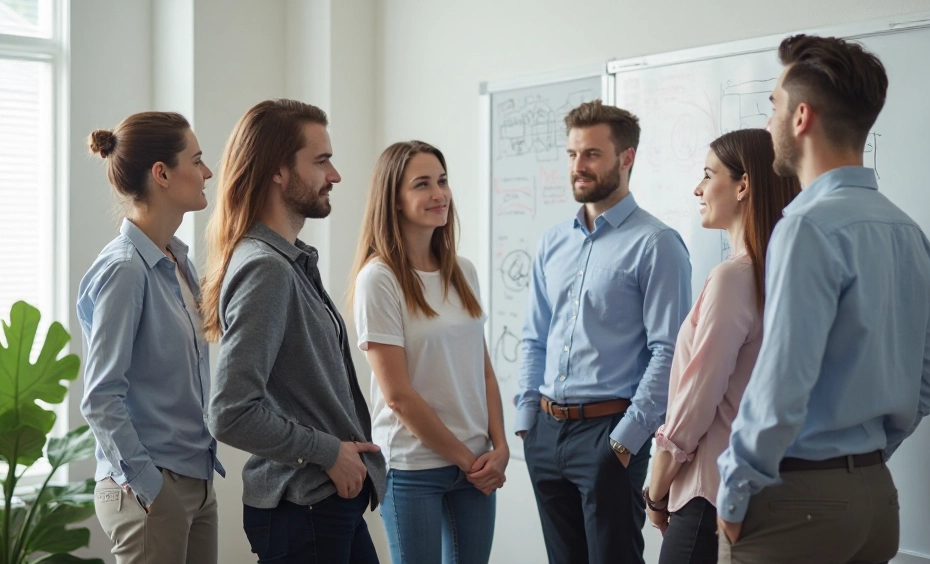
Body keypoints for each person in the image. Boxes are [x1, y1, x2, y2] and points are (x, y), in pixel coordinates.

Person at [716, 35, 930, 564]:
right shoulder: (907, 230)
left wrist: (733, 492)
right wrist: (860, 462)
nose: (767, 122)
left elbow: (780, 387)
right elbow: (924, 387)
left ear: (800, 118)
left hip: (796, 506)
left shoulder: (805, 227)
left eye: (772, 106)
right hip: (876, 499)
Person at [204, 99, 386, 563]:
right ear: (278, 172)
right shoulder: (266, 269)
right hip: (303, 504)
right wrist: (329, 452)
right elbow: (230, 412)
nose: (336, 175)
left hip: (321, 501)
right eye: (321, 161)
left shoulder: (288, 261)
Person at [515, 100, 692, 564]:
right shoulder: (553, 242)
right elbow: (534, 337)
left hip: (609, 436)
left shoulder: (657, 244)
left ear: (626, 158)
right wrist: (527, 421)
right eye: (573, 154)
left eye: (592, 154)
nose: (578, 166)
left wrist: (625, 439)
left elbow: (669, 351)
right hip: (546, 435)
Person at [643, 129, 800, 564]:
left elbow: (698, 399)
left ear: (743, 185)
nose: (698, 188)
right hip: (765, 494)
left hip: (708, 497)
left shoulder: (733, 278)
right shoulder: (789, 277)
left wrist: (656, 490)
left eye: (709, 174)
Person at [350, 140, 508, 564]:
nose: (438, 194)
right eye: (422, 184)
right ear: (395, 201)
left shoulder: (464, 271)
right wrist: (467, 459)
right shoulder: (379, 279)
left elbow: (484, 371)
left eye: (442, 181)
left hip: (475, 464)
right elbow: (398, 396)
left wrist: (501, 446)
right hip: (412, 466)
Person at [79, 112, 223, 564]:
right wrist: (148, 485)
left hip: (194, 481)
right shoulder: (124, 269)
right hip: (151, 487)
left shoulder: (178, 261)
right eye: (196, 160)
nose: (207, 172)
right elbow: (100, 397)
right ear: (161, 173)